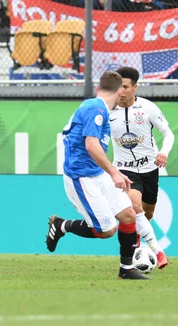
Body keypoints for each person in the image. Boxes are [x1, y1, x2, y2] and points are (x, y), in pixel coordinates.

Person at [45, 71, 150, 280]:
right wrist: (115, 174)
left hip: (97, 173)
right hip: (81, 177)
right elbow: (91, 145)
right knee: (106, 230)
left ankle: (126, 268)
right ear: (120, 90)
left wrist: (112, 173)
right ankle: (62, 225)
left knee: (128, 215)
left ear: (97, 88)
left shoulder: (96, 106)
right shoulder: (95, 108)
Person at [110, 66, 175, 270]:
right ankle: (158, 251)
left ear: (135, 87)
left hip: (149, 169)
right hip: (124, 170)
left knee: (147, 213)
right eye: (117, 87)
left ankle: (137, 236)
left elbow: (169, 134)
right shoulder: (107, 110)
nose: (121, 91)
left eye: (125, 87)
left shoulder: (149, 108)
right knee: (135, 207)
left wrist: (163, 152)